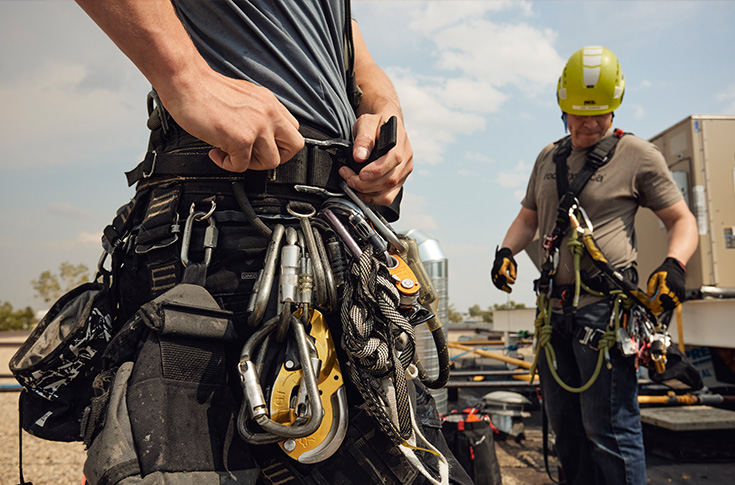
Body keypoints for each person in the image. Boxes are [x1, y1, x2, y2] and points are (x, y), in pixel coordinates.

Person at [72, 1, 472, 484]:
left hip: (335, 231)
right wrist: (184, 76)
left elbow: (353, 53)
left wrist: (384, 106)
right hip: (229, 222)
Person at [491, 46, 698, 485]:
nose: (587, 124)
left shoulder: (638, 155)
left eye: (599, 115)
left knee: (609, 431)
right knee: (565, 431)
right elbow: (529, 216)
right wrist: (506, 251)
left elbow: (681, 220)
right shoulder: (548, 157)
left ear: (615, 106)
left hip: (602, 315)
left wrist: (674, 264)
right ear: (561, 105)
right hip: (553, 314)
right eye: (577, 115)